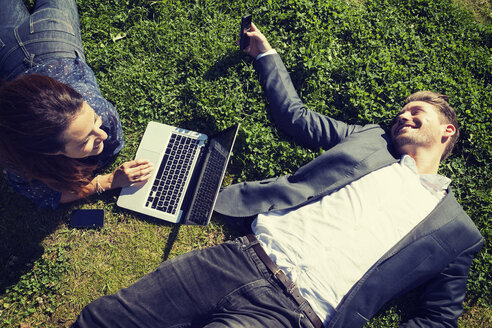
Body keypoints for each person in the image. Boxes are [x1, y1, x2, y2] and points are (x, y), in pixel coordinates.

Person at [72, 23, 483, 328]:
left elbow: (438, 319)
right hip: (241, 257)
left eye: (417, 113)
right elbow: (295, 116)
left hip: (295, 313)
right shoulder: (370, 140)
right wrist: (266, 54)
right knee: (102, 318)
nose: (402, 116)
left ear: (446, 131)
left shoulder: (456, 232)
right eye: (402, 110)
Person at [0, 0, 153, 209]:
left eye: (94, 121)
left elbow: (50, 195)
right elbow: (47, 196)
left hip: (32, 44)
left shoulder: (103, 116)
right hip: (31, 42)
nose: (104, 135)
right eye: (84, 141)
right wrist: (107, 181)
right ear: (50, 151)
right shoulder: (17, 161)